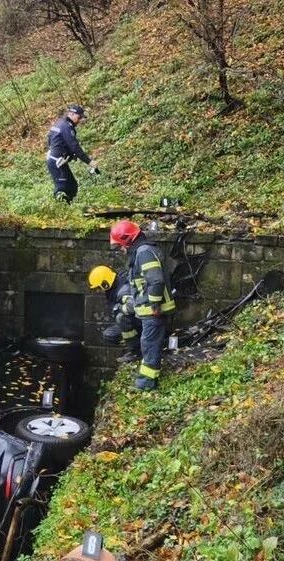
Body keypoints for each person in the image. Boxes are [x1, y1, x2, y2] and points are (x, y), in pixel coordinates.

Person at [109, 220, 176, 391]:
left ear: (127, 239)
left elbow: (155, 280)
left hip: (153, 310)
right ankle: (146, 379)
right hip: (147, 310)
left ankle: (146, 383)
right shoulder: (141, 251)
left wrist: (154, 304)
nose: (121, 250)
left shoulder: (144, 252)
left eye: (120, 246)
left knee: (149, 344)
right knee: (148, 343)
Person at [88, 265, 141, 363]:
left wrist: (119, 309)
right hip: (134, 321)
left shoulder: (123, 290)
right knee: (109, 335)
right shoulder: (115, 286)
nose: (99, 290)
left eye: (99, 287)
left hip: (139, 321)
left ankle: (136, 351)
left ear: (105, 283)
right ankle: (133, 346)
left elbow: (132, 307)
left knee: (121, 318)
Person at [46, 104, 97, 203]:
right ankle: (59, 210)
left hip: (59, 160)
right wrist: (89, 162)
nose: (79, 120)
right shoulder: (66, 127)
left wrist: (67, 153)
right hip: (56, 162)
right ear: (71, 114)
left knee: (72, 185)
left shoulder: (60, 123)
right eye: (79, 117)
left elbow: (50, 139)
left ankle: (69, 208)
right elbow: (75, 147)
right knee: (62, 187)